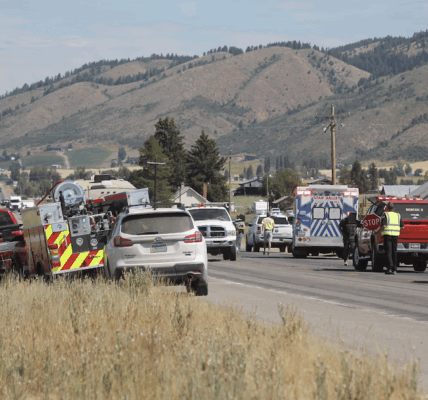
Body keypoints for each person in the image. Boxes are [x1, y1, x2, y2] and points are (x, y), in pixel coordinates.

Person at [382, 202, 404, 275]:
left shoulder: (386, 214)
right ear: (394, 209)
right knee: (394, 252)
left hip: (388, 235)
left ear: (387, 208)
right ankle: (395, 269)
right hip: (395, 236)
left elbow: (384, 226)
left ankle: (390, 268)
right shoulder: (398, 215)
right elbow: (402, 226)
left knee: (388, 252)